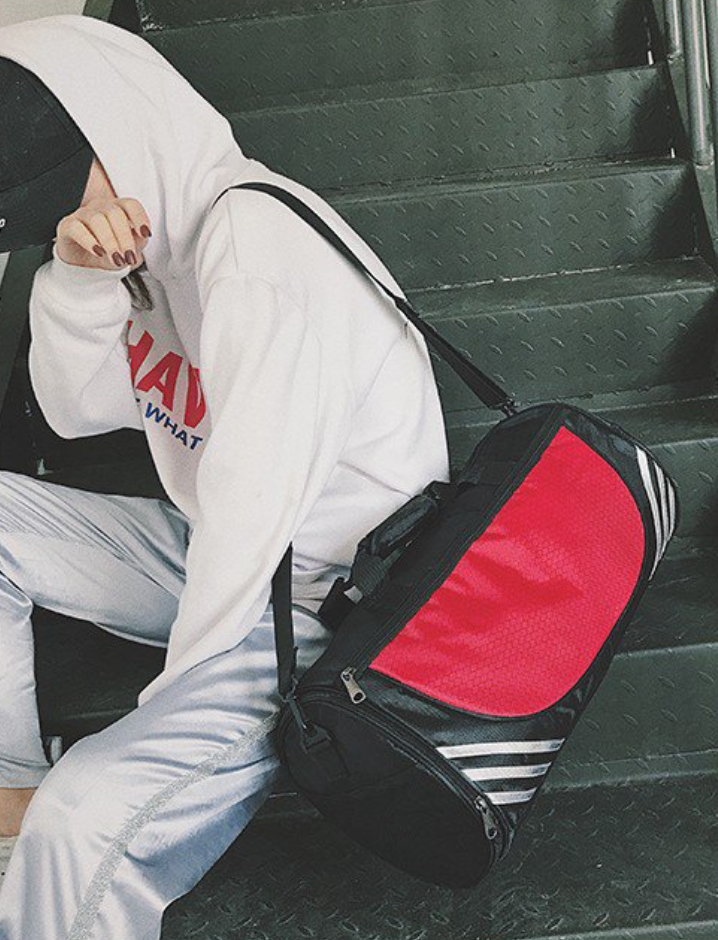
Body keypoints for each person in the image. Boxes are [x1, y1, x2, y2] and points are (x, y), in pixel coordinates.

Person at [0, 13, 450, 938]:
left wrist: (159, 730)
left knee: (86, 819)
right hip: (233, 553)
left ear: (127, 124)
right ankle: (10, 798)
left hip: (332, 609)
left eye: (70, 184)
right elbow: (75, 411)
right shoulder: (151, 255)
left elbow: (252, 514)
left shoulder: (257, 255)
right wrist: (77, 280)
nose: (64, 215)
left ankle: (46, 834)